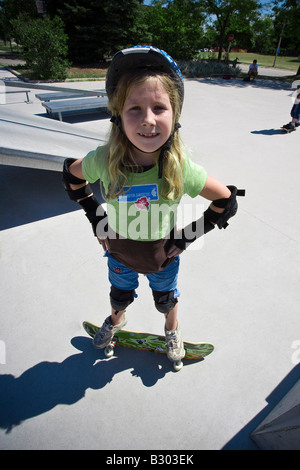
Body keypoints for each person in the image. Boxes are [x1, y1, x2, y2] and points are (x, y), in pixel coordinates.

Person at [62, 46, 244, 364]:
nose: (148, 120)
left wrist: (187, 236)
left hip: (162, 253)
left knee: (165, 300)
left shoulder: (180, 167)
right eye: (135, 108)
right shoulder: (104, 160)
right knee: (119, 295)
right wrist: (96, 218)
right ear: (118, 115)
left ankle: (172, 329)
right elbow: (71, 177)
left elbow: (226, 200)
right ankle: (117, 321)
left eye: (159, 107)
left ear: (174, 116)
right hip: (118, 250)